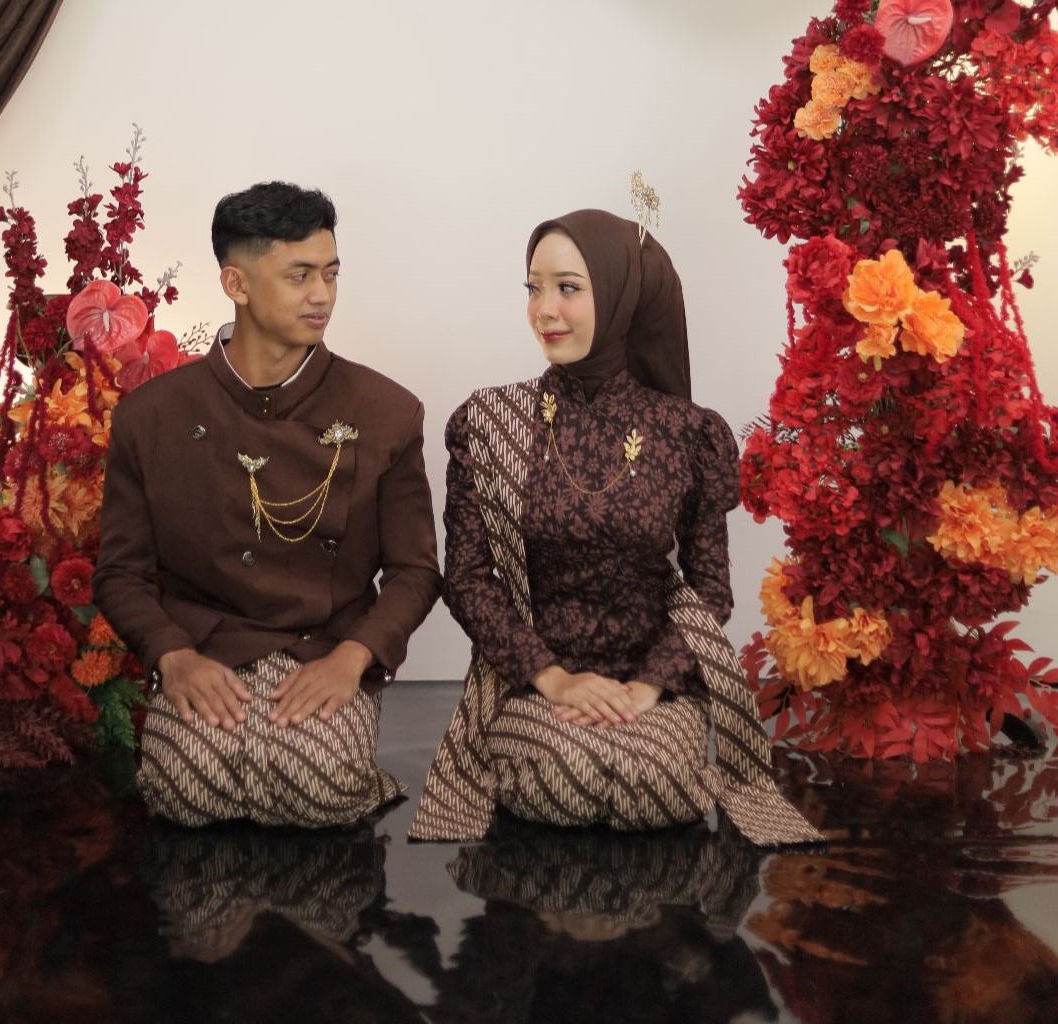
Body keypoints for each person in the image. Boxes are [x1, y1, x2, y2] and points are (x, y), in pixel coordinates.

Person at [408, 209, 819, 846]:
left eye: (568, 288)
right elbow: (466, 577)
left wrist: (648, 687)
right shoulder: (489, 422)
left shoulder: (689, 433)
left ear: (623, 295)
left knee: (650, 780)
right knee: (567, 778)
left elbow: (709, 590)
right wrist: (552, 678)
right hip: (533, 685)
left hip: (655, 688)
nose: (544, 309)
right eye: (533, 288)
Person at [95, 181, 441, 828]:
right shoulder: (152, 416)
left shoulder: (386, 412)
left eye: (331, 274)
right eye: (299, 275)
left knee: (316, 787)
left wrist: (352, 659)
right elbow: (120, 572)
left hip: (326, 647)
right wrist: (172, 655)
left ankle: (354, 780)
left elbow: (415, 571)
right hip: (206, 646)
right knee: (185, 789)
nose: (322, 295)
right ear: (237, 283)